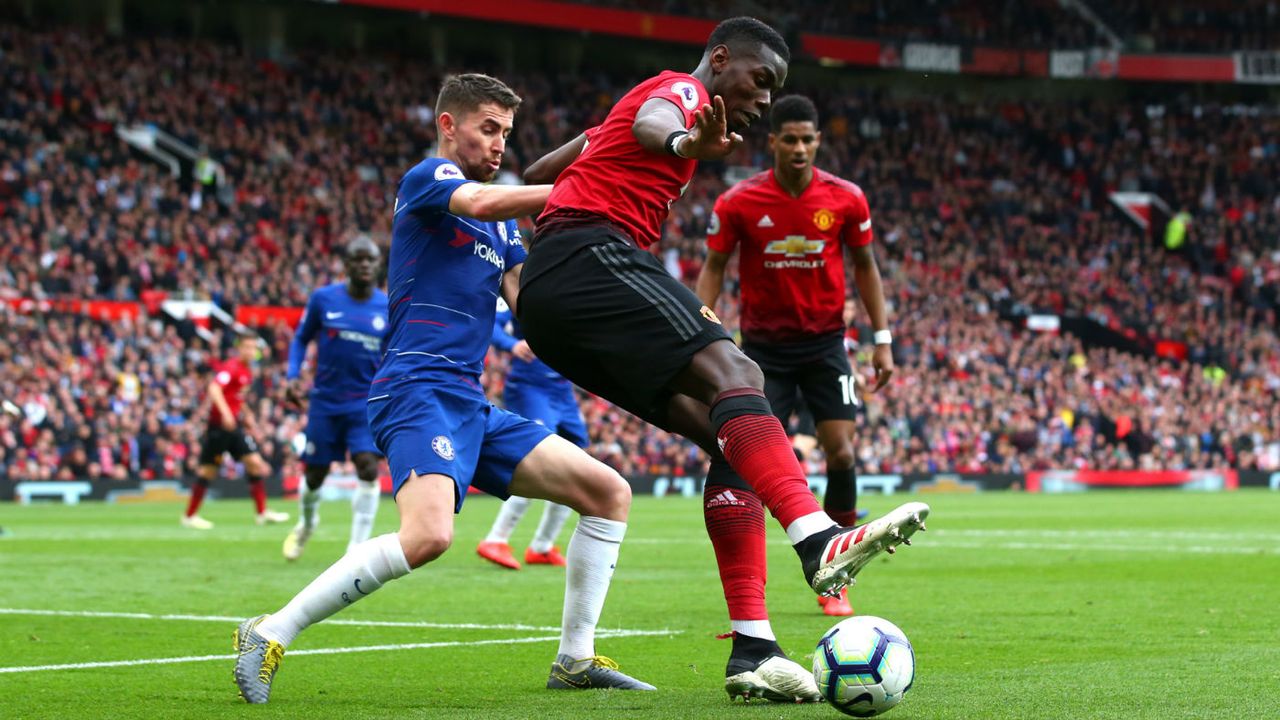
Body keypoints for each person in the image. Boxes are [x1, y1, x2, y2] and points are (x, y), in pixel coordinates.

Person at [518, 17, 928, 703]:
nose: (766, 99)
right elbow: (658, 123)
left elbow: (537, 172)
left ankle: (752, 649)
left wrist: (600, 146)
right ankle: (817, 538)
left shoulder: (639, 108)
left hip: (552, 300)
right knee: (742, 377)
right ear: (720, 59)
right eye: (761, 80)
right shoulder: (678, 90)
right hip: (590, 255)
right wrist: (682, 141)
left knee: (729, 436)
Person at [232, 73, 651, 704]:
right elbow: (483, 203)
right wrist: (583, 186)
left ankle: (575, 659)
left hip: (468, 400)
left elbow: (528, 308)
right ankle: (270, 630)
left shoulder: (507, 229)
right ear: (448, 124)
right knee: (428, 536)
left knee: (607, 492)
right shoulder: (430, 179)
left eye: (507, 132)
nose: (500, 143)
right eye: (489, 128)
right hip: (414, 386)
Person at [697, 94, 894, 618]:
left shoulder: (846, 198)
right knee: (740, 460)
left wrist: (883, 338)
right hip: (762, 352)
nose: (801, 147)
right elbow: (714, 268)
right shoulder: (739, 202)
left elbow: (867, 268)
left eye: (809, 139)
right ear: (774, 142)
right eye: (791, 139)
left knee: (843, 454)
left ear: (818, 142)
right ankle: (745, 592)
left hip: (826, 346)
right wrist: (700, 329)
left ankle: (837, 575)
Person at [281, 236, 390, 561]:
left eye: (370, 260)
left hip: (364, 402)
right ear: (346, 265)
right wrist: (291, 376)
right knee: (314, 475)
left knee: (367, 468)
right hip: (325, 402)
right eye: (358, 260)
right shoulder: (323, 299)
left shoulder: (386, 305)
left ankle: (356, 550)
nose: (365, 265)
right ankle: (306, 524)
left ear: (378, 265)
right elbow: (300, 339)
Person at [476, 299, 586, 570]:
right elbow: (491, 325)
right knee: (538, 458)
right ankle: (495, 539)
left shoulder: (575, 288)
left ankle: (542, 546)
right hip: (530, 388)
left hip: (562, 390)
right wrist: (512, 344)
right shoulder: (521, 284)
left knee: (578, 465)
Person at [182, 334, 289, 529]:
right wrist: (226, 414)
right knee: (208, 471)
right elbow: (214, 389)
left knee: (255, 463)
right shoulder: (231, 367)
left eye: (253, 347)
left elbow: (237, 398)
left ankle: (262, 513)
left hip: (234, 428)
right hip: (220, 428)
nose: (250, 351)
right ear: (239, 348)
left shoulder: (247, 371)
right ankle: (189, 516)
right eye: (246, 347)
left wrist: (246, 415)